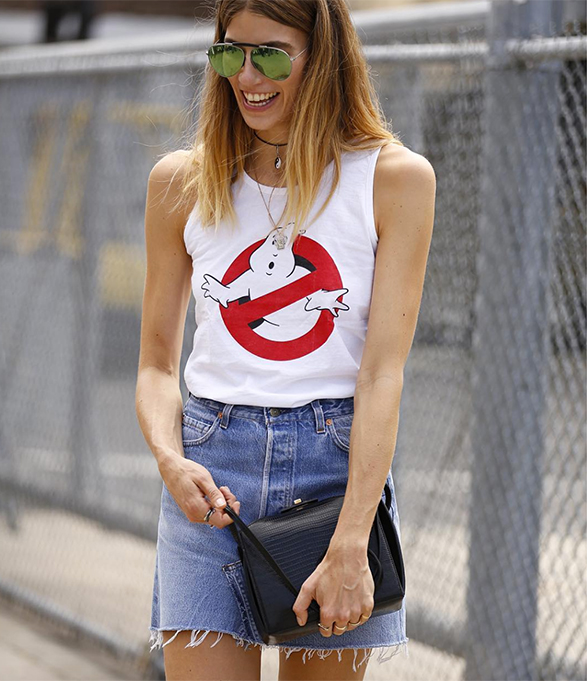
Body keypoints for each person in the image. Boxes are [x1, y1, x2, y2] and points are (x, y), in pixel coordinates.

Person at [135, 1, 435, 679]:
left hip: (335, 476)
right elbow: (155, 363)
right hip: (211, 472)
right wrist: (169, 459)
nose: (246, 76)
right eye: (228, 53)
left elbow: (382, 374)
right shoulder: (181, 182)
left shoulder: (392, 180)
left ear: (321, 56)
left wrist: (354, 536)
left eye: (269, 55)